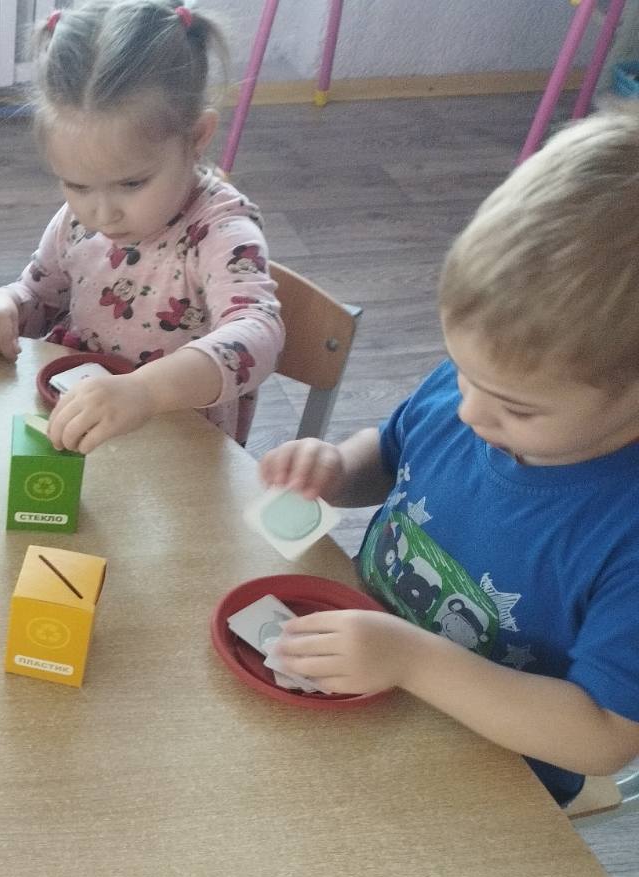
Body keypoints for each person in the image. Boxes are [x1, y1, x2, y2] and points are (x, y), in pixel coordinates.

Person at [259, 109, 639, 805]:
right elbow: (393, 453)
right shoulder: (484, 385)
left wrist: (410, 660)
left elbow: (604, 735)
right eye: (462, 371)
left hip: (487, 780)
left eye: (516, 409)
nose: (468, 412)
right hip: (358, 685)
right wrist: (336, 470)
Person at [0, 0, 283, 452]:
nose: (102, 213)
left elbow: (259, 333)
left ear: (196, 137)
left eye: (131, 183)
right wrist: (6, 305)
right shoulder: (77, 221)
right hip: (80, 425)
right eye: (77, 184)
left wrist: (146, 391)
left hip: (179, 446)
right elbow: (41, 296)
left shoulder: (221, 231)